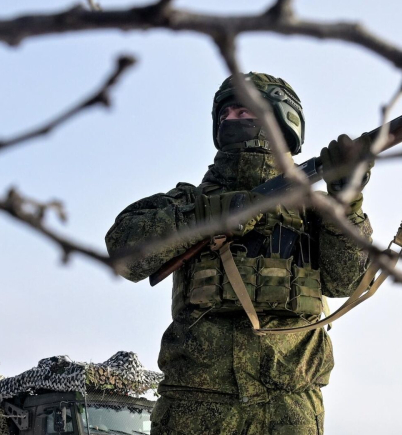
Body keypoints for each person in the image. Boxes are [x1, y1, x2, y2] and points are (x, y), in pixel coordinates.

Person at [105, 73, 373, 435]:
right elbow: (124, 252)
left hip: (289, 406)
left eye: (244, 111)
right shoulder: (189, 201)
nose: (231, 119)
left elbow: (346, 282)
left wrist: (347, 202)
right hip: (195, 404)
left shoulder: (316, 211)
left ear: (282, 121)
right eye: (225, 114)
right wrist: (210, 214)